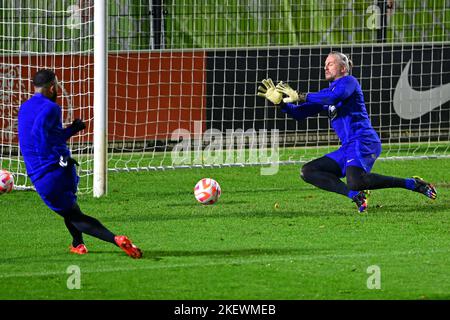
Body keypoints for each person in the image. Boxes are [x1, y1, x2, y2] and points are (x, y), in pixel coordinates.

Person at [257, 51, 437, 212]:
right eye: (325, 64)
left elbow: (335, 97)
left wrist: (301, 96)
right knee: (308, 171)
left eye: (330, 63)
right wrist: (280, 103)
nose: (325, 67)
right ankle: (355, 196)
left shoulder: (349, 82)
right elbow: (298, 114)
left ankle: (413, 184)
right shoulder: (326, 93)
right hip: (348, 147)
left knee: (356, 181)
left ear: (343, 68)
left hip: (364, 140)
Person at [18, 69, 142, 258]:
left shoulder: (25, 108)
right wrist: (73, 131)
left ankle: (116, 239)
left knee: (74, 216)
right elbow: (43, 134)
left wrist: (59, 148)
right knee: (70, 209)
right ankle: (78, 244)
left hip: (46, 174)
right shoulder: (52, 107)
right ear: (52, 87)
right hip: (62, 168)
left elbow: (39, 134)